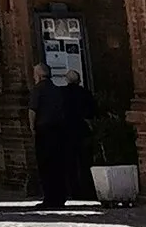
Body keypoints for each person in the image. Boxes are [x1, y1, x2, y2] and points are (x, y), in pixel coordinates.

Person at [31, 62, 98, 208]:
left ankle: (53, 197)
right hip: (65, 131)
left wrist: (32, 128)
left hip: (50, 131)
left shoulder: (42, 90)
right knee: (65, 164)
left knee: (49, 165)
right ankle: (66, 194)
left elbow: (33, 110)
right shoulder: (58, 90)